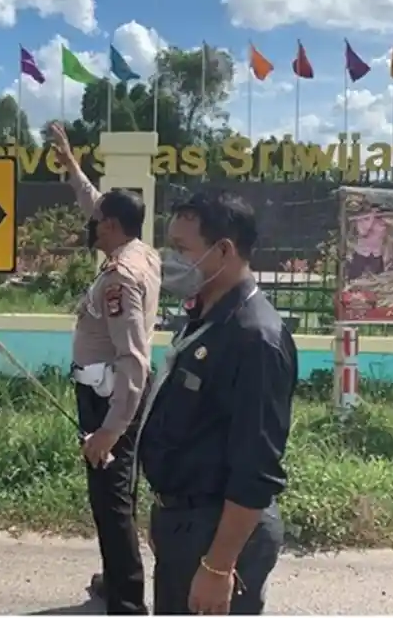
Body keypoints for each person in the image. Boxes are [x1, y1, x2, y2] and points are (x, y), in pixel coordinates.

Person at [137, 188, 296, 615]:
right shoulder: (205, 316)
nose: (170, 261)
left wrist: (219, 565)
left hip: (218, 532)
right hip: (187, 523)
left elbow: (256, 470)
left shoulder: (254, 338)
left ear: (223, 251)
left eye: (181, 249)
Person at [48, 122, 160, 615]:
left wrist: (111, 431)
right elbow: (95, 199)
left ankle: (128, 602)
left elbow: (134, 358)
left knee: (111, 501)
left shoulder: (120, 277)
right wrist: (71, 164)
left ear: (111, 226)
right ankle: (115, 578)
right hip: (111, 393)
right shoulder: (140, 251)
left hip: (112, 396)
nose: (89, 223)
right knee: (114, 497)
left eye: (97, 220)